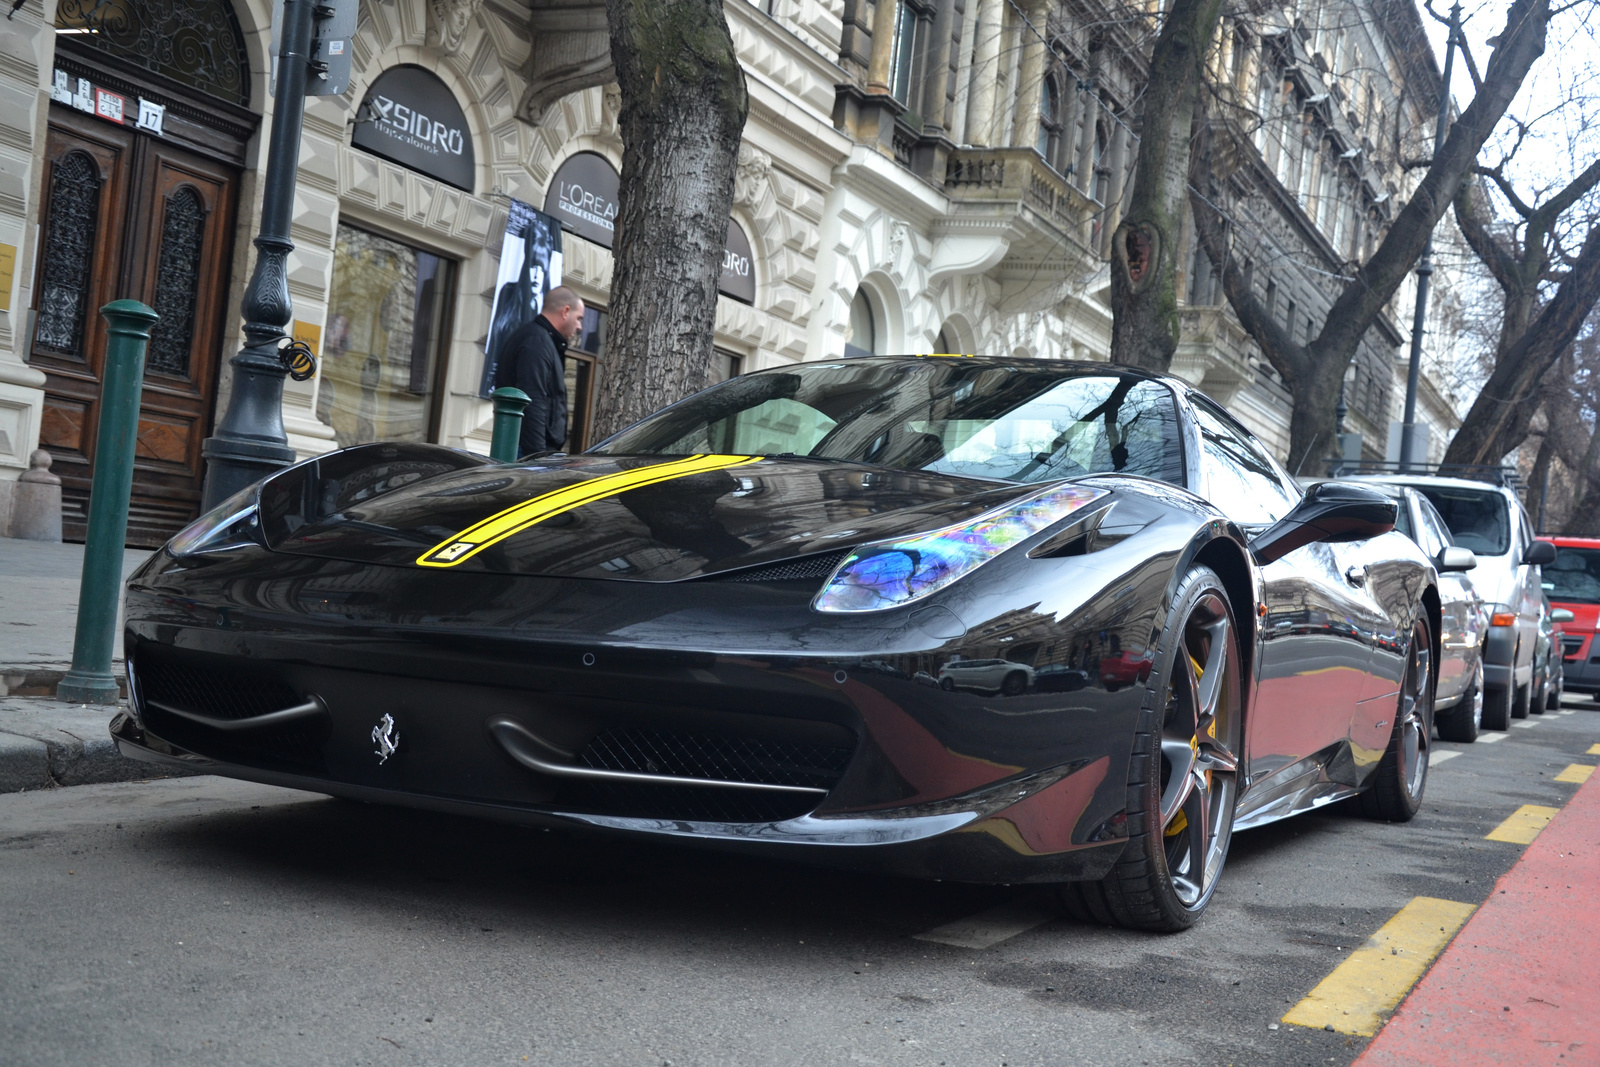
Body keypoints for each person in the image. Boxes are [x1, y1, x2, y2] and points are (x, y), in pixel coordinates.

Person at [494, 285, 584, 456]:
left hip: (528, 449)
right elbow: (533, 399)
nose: (579, 326)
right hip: (528, 452)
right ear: (566, 311)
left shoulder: (541, 340)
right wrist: (537, 458)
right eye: (579, 318)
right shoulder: (537, 342)